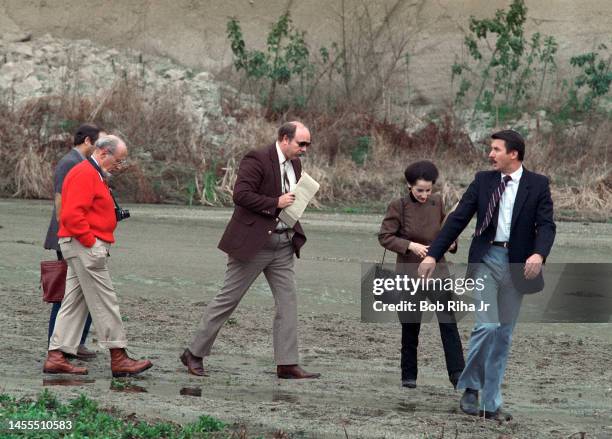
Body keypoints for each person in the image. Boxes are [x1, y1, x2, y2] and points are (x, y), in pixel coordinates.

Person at [418, 130, 555, 421]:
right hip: (485, 261)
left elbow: (546, 225)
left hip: (518, 264)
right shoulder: (483, 181)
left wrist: (538, 254)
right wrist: (432, 254)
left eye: (495, 149)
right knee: (488, 327)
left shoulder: (538, 184)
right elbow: (457, 220)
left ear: (513, 154)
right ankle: (470, 386)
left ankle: (491, 403)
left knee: (503, 336)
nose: (490, 154)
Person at [181, 121, 320, 379]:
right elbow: (241, 195)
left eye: (307, 144)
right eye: (301, 143)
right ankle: (194, 353)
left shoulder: (296, 165)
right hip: (252, 244)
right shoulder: (256, 158)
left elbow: (290, 200)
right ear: (284, 139)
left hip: (283, 244)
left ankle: (287, 363)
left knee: (288, 303)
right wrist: (275, 202)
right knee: (228, 300)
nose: (304, 149)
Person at [43, 135, 153, 377]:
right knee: (105, 301)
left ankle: (56, 356)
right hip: (84, 245)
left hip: (78, 244)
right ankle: (119, 356)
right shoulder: (86, 173)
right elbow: (72, 215)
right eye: (119, 160)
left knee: (73, 302)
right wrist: (91, 243)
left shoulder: (91, 172)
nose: (120, 166)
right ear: (103, 153)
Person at [378, 160, 464, 389]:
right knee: (410, 326)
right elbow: (385, 236)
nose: (425, 195)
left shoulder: (438, 202)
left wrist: (452, 245)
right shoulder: (398, 205)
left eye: (428, 189)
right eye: (419, 190)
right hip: (409, 273)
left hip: (438, 272)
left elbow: (448, 234)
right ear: (409, 185)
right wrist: (410, 246)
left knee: (449, 324)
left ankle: (458, 376)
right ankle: (409, 378)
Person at [43, 123, 103, 361]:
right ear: (88, 141)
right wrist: (67, 237)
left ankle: (76, 342)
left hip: (77, 235)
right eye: (97, 143)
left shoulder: (83, 163)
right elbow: (60, 202)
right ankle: (57, 344)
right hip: (69, 237)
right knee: (67, 294)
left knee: (83, 292)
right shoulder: (70, 163)